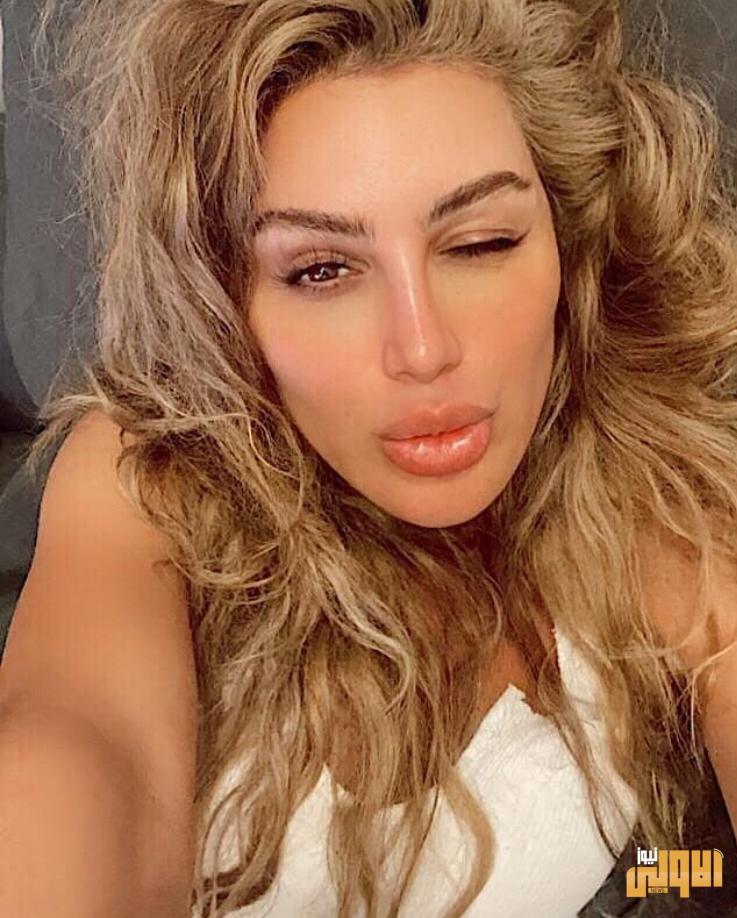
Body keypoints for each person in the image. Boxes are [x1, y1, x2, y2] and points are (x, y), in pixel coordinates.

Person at [1, 0, 736, 916]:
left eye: (479, 242)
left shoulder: (661, 500)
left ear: (566, 238)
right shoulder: (148, 480)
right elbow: (77, 744)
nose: (422, 350)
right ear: (226, 297)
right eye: (320, 269)